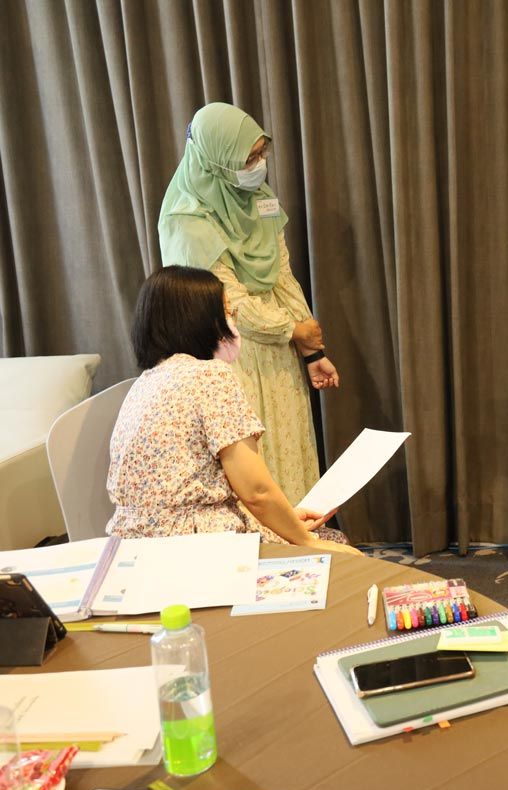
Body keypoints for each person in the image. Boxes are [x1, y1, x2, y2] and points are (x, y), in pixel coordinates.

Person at [107, 267, 359, 557]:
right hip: (196, 545)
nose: (233, 322)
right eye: (227, 313)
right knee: (335, 546)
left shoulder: (142, 385)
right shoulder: (211, 376)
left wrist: (288, 520)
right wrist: (307, 541)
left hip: (129, 546)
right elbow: (256, 491)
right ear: (199, 320)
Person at [158, 101, 337, 504]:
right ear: (216, 161)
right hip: (232, 359)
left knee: (291, 460)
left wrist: (311, 349)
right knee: (257, 473)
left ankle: (300, 538)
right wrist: (291, 330)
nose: (259, 166)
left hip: (278, 353)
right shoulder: (186, 220)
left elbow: (282, 275)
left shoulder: (257, 197)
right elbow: (229, 302)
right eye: (248, 158)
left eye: (260, 153)